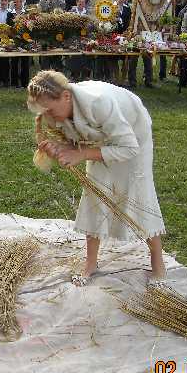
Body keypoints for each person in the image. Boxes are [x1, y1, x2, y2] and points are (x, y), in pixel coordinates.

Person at [27, 71, 166, 285]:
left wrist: (82, 154)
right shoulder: (55, 110)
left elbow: (129, 148)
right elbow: (73, 142)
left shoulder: (100, 103)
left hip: (133, 137)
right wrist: (59, 150)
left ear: (66, 96)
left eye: (50, 110)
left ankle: (158, 264)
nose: (48, 116)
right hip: (100, 139)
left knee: (138, 196)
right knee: (94, 194)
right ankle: (90, 264)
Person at [10, 0, 30, 88]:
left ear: (21, 2)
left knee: (25, 62)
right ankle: (14, 83)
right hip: (14, 40)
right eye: (14, 2)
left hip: (25, 40)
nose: (15, 3)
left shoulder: (26, 13)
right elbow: (8, 26)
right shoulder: (10, 13)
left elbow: (29, 25)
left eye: (17, 2)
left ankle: (25, 83)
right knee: (14, 62)